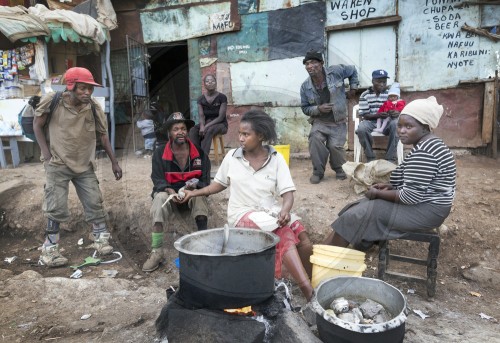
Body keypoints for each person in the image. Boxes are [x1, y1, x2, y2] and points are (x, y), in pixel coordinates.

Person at [180, 110, 314, 301]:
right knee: (283, 235)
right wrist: (194, 193)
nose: (240, 138)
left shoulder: (276, 158)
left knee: (302, 235)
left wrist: (285, 211)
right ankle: (308, 292)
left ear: (260, 136)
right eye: (240, 134)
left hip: (269, 212)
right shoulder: (232, 157)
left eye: (246, 134)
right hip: (242, 214)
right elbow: (218, 185)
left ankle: (311, 281)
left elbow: (288, 194)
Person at [324, 96, 456, 250]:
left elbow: (410, 196)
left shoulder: (425, 152)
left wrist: (378, 194)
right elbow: (418, 186)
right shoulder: (428, 145)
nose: (401, 131)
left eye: (408, 126)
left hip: (427, 212)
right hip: (427, 206)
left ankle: (324, 256)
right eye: (399, 126)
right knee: (356, 207)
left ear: (425, 128)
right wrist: (389, 187)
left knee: (358, 214)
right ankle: (352, 246)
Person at [33, 67, 123, 267]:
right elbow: (37, 125)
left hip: (84, 164)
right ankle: (50, 250)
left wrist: (114, 162)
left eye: (90, 89)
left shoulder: (93, 107)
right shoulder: (52, 101)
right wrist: (46, 154)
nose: (87, 93)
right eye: (83, 88)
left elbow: (102, 135)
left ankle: (101, 240)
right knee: (55, 206)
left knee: (94, 201)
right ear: (71, 86)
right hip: (57, 162)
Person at [144, 112, 211, 272]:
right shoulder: (160, 153)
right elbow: (158, 179)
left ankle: (203, 247)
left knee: (200, 198)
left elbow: (206, 182)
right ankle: (157, 251)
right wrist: (170, 191)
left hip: (191, 194)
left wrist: (192, 188)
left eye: (183, 128)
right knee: (159, 198)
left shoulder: (200, 154)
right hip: (169, 193)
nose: (180, 132)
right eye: (176, 129)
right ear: (169, 133)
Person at [300, 50, 359, 184]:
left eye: (313, 62)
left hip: (338, 120)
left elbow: (353, 70)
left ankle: (339, 169)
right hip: (320, 121)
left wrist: (353, 88)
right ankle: (318, 171)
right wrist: (318, 109)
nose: (310, 66)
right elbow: (305, 108)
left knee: (335, 146)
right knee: (315, 139)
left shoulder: (336, 71)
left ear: (321, 63)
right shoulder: (305, 87)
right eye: (307, 64)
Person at [356, 69, 400, 163]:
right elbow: (365, 115)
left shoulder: (390, 94)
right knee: (361, 128)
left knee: (396, 124)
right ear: (373, 81)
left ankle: (390, 159)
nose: (382, 84)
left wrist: (396, 112)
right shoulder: (365, 95)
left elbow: (399, 107)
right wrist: (378, 115)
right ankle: (370, 157)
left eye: (384, 81)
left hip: (387, 123)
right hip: (370, 122)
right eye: (379, 81)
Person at [189, 74, 228, 155]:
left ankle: (204, 158)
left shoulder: (222, 97)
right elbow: (201, 116)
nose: (210, 83)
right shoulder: (201, 99)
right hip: (206, 122)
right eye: (207, 81)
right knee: (193, 131)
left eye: (212, 81)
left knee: (209, 130)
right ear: (204, 84)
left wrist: (205, 127)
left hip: (221, 124)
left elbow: (221, 117)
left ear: (216, 83)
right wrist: (202, 126)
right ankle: (196, 155)